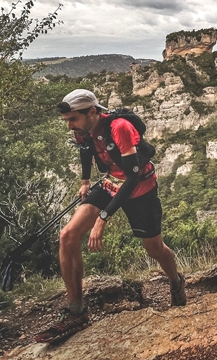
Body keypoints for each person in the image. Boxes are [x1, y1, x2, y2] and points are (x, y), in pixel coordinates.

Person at [35, 89, 186, 343]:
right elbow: (85, 149)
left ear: (92, 112)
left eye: (73, 119)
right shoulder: (84, 129)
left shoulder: (120, 127)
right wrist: (85, 181)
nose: (70, 126)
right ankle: (75, 310)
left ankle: (176, 281)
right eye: (67, 121)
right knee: (68, 236)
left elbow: (132, 178)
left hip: (139, 189)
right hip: (110, 183)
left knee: (154, 249)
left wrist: (102, 218)